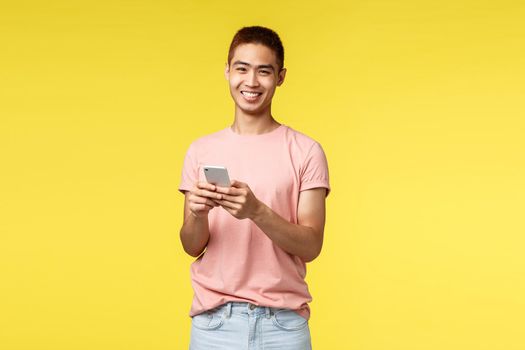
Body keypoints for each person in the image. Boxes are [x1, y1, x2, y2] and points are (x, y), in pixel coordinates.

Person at [178, 25, 331, 350]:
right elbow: (192, 245)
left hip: (283, 327)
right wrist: (196, 214)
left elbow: (311, 245)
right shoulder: (200, 150)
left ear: (281, 76)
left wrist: (257, 211)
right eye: (241, 69)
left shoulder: (305, 151)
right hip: (214, 325)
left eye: (264, 71)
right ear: (227, 71)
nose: (250, 82)